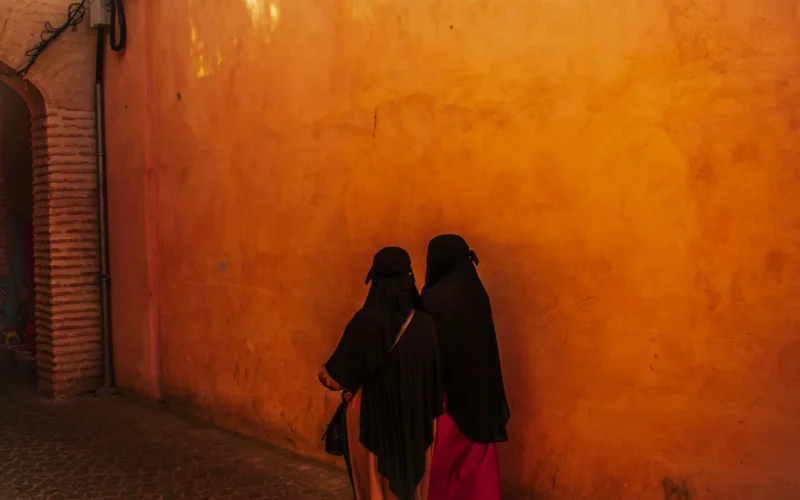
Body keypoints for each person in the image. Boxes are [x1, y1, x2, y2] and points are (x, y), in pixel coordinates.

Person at [318, 247, 444, 500]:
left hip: (372, 421)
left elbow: (332, 378)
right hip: (418, 423)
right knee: (415, 485)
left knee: (375, 487)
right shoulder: (426, 323)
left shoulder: (366, 321)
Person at [421, 234, 510, 500]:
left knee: (443, 467)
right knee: (477, 463)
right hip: (481, 398)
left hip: (447, 403)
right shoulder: (475, 292)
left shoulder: (433, 299)